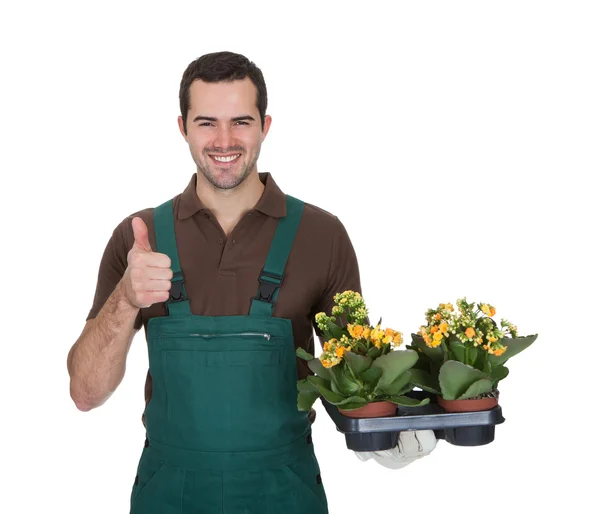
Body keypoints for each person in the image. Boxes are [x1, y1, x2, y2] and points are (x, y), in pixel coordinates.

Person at [67, 51, 435, 514]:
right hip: (169, 494)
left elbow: (352, 375)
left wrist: (384, 434)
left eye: (241, 121)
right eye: (206, 123)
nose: (224, 140)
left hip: (284, 492)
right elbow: (85, 392)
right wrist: (125, 297)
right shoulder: (139, 237)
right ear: (182, 127)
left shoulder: (322, 235)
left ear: (265, 125)